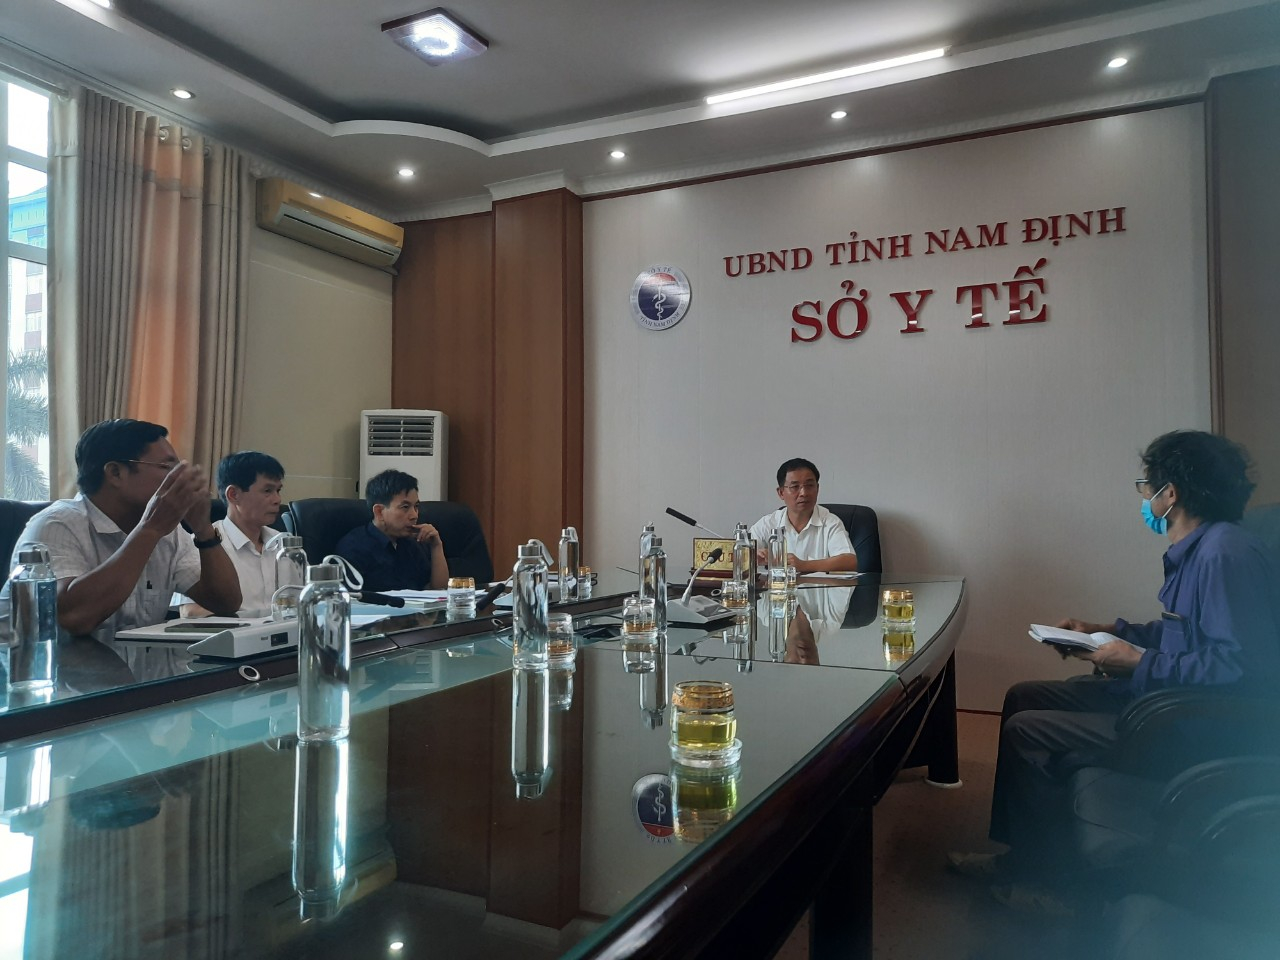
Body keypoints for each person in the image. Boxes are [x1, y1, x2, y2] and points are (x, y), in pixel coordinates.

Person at [948, 430, 1280, 912]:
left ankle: (1049, 883)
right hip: (1161, 696)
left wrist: (1139, 662)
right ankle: (1022, 856)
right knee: (1023, 695)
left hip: (1186, 724)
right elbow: (1184, 634)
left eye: (1147, 487)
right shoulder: (1202, 547)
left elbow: (1243, 667)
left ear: (1171, 493)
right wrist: (1106, 631)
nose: (1145, 499)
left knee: (1028, 731)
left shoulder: (1224, 555)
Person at [2, 419, 241, 642]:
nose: (179, 479)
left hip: (126, 669)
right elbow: (72, 617)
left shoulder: (169, 532)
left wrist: (203, 530)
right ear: (115, 473)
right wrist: (150, 530)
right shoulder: (56, 524)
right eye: (167, 467)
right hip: (33, 669)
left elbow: (226, 602)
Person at [181, 451, 285, 618]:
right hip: (235, 633)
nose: (277, 499)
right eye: (268, 490)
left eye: (278, 490)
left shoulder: (284, 544)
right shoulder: (202, 546)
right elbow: (191, 612)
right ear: (234, 495)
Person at [334, 469, 449, 591]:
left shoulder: (413, 543)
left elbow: (438, 591)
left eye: (416, 506)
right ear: (379, 512)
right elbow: (350, 598)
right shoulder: (354, 547)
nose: (414, 515)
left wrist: (436, 546)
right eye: (405, 507)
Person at [748, 457, 858, 572]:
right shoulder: (768, 523)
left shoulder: (830, 522)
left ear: (817, 488)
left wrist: (803, 565)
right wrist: (755, 557)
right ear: (781, 493)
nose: (803, 493)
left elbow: (850, 562)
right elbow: (740, 554)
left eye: (809, 485)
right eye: (795, 487)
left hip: (819, 584)